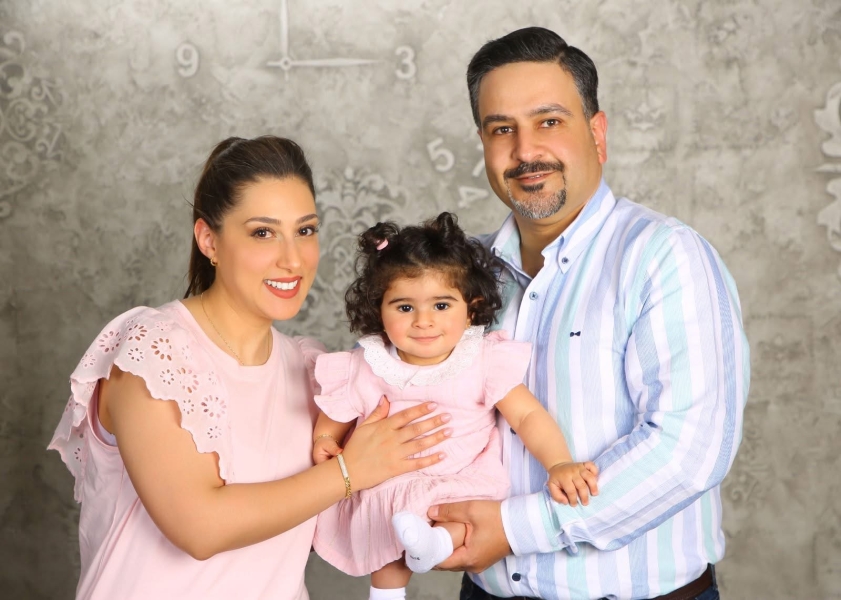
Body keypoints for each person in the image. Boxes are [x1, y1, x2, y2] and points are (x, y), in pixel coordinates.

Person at [47, 135, 453, 600]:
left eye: (305, 230)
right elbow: (199, 527)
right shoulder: (152, 349)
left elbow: (357, 508)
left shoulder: (315, 371)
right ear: (209, 240)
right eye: (263, 232)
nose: (292, 258)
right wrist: (349, 472)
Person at [427, 27, 750, 600]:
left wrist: (515, 528)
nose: (525, 151)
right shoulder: (460, 275)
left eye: (549, 121)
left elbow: (688, 452)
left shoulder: (664, 256)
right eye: (502, 129)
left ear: (597, 134)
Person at [309, 212, 600, 600]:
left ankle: (437, 544)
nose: (423, 321)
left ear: (471, 308)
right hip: (390, 482)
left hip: (461, 477)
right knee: (388, 534)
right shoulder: (368, 364)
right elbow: (336, 412)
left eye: (441, 306)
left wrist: (559, 463)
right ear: (379, 310)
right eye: (405, 308)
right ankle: (386, 594)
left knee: (463, 521)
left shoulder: (481, 359)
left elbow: (527, 415)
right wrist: (325, 440)